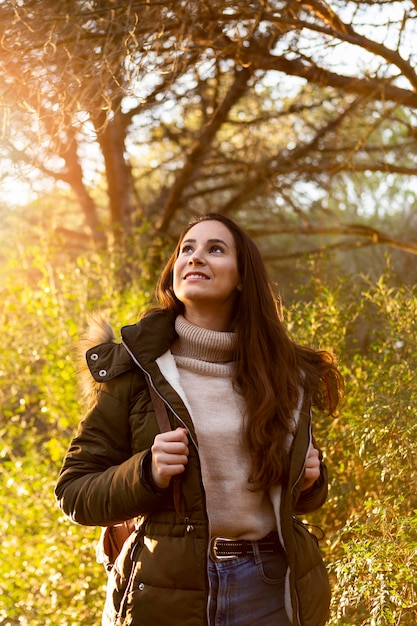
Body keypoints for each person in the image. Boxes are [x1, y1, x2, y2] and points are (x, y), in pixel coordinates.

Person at [55, 213, 343, 626]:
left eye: (215, 249)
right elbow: (73, 490)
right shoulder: (135, 370)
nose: (196, 257)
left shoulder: (284, 375)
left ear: (243, 277)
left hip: (271, 589)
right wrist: (146, 472)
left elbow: (290, 500)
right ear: (174, 272)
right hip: (167, 591)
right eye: (187, 249)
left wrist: (312, 479)